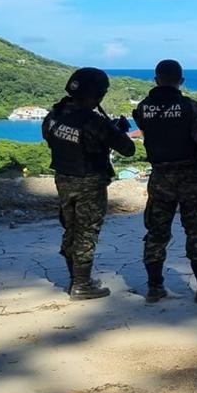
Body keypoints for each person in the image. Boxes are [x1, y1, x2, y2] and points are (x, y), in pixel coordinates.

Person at [133, 59, 197, 304]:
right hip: (190, 177)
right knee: (195, 230)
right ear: (181, 81)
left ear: (156, 80)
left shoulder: (143, 108)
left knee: (156, 230)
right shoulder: (190, 107)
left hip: (160, 176)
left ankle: (155, 287)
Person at [41, 67, 136, 300]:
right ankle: (82, 285)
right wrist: (115, 130)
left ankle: (76, 278)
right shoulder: (94, 121)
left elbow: (51, 137)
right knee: (87, 231)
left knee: (71, 226)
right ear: (98, 95)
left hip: (63, 177)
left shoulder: (54, 115)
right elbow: (128, 149)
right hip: (89, 180)